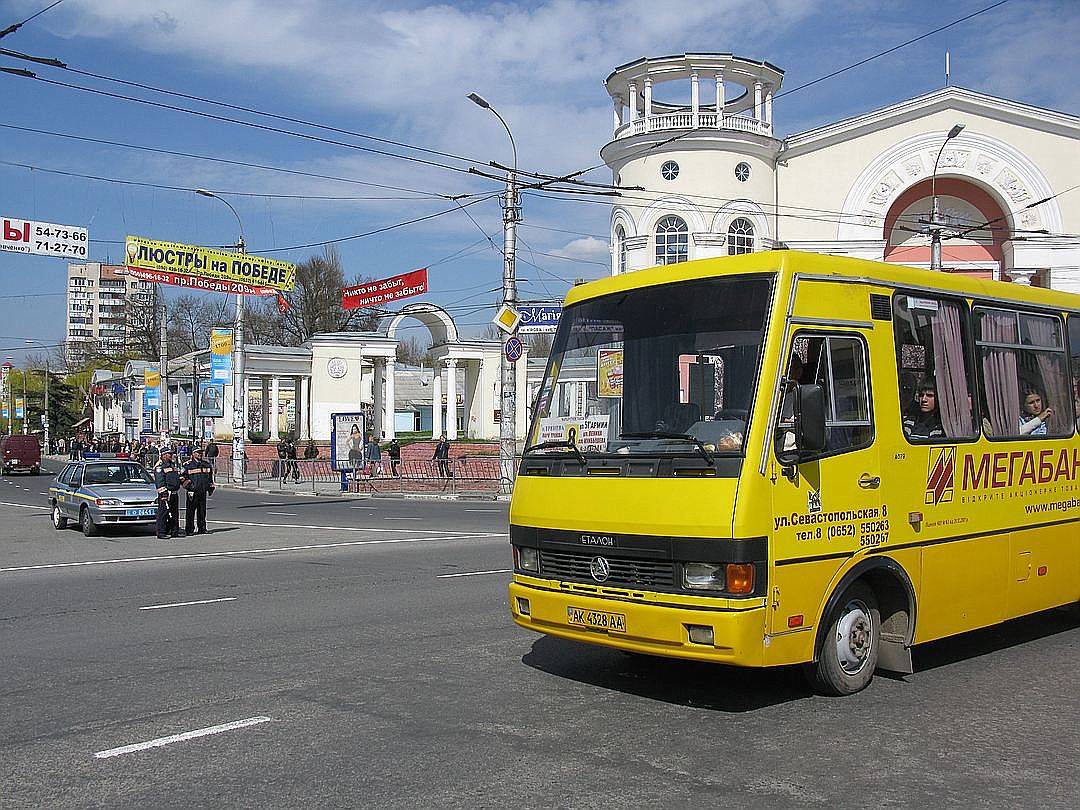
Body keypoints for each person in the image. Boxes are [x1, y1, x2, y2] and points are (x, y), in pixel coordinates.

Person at [180, 444, 214, 535]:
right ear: (193, 453)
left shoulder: (206, 465)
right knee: (190, 512)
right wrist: (190, 487)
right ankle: (190, 529)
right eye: (198, 452)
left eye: (201, 452)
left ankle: (202, 528)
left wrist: (210, 487)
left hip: (202, 491)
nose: (200, 454)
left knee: (202, 511)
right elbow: (182, 478)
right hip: (192, 492)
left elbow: (210, 478)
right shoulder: (188, 465)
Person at [153, 446, 184, 540]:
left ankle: (174, 531)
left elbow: (175, 477)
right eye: (169, 454)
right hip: (166, 494)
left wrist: (180, 480)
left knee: (174, 513)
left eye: (171, 454)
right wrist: (164, 494)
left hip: (174, 492)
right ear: (163, 455)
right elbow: (160, 481)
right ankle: (161, 532)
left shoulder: (173, 465)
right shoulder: (160, 467)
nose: (171, 455)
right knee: (163, 513)